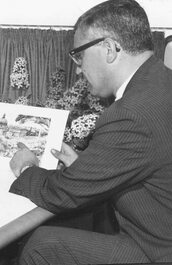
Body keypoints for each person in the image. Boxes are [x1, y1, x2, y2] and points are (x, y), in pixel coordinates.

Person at [9, 0, 172, 264]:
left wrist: (27, 168)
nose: (77, 68)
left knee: (42, 244)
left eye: (79, 55)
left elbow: (64, 193)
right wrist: (88, 167)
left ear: (108, 49)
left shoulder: (130, 112)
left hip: (157, 252)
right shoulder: (162, 81)